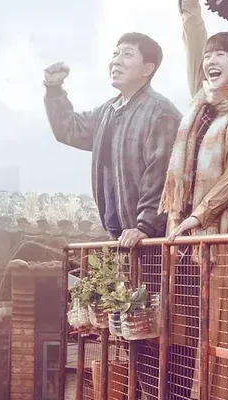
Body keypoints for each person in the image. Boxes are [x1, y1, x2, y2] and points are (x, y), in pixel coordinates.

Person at [157, 1, 228, 398]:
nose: (210, 61)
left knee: (223, 330)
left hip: (223, 235)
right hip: (184, 239)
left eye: (221, 54)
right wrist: (188, 10)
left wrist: (199, 215)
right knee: (186, 331)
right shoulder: (199, 106)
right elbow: (192, 39)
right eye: (208, 55)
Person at [43, 32, 181, 247]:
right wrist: (54, 89)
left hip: (151, 238)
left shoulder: (160, 113)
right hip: (122, 235)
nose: (116, 61)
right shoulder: (108, 110)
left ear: (147, 69)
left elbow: (161, 176)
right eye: (115, 54)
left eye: (127, 55)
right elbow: (69, 129)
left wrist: (145, 227)